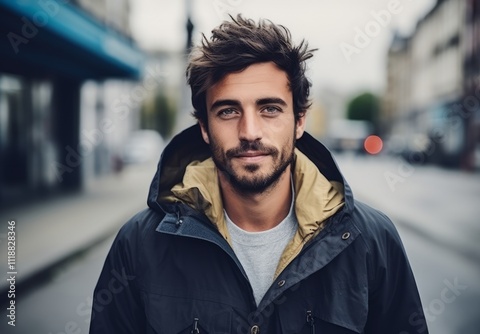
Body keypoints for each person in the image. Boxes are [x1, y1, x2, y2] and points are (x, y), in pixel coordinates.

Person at [90, 15, 428, 334]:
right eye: (228, 110)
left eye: (269, 109)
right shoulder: (138, 245)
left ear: (299, 121)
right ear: (204, 129)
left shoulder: (371, 242)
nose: (249, 131)